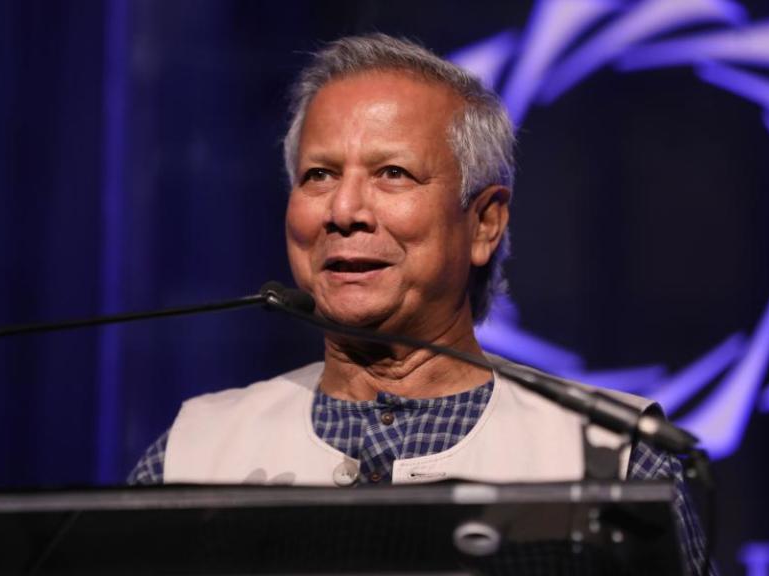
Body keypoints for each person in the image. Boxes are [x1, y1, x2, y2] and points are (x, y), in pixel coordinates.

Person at [129, 33, 713, 574]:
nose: (343, 210)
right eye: (319, 175)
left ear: (484, 223)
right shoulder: (192, 455)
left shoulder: (616, 458)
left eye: (392, 173)